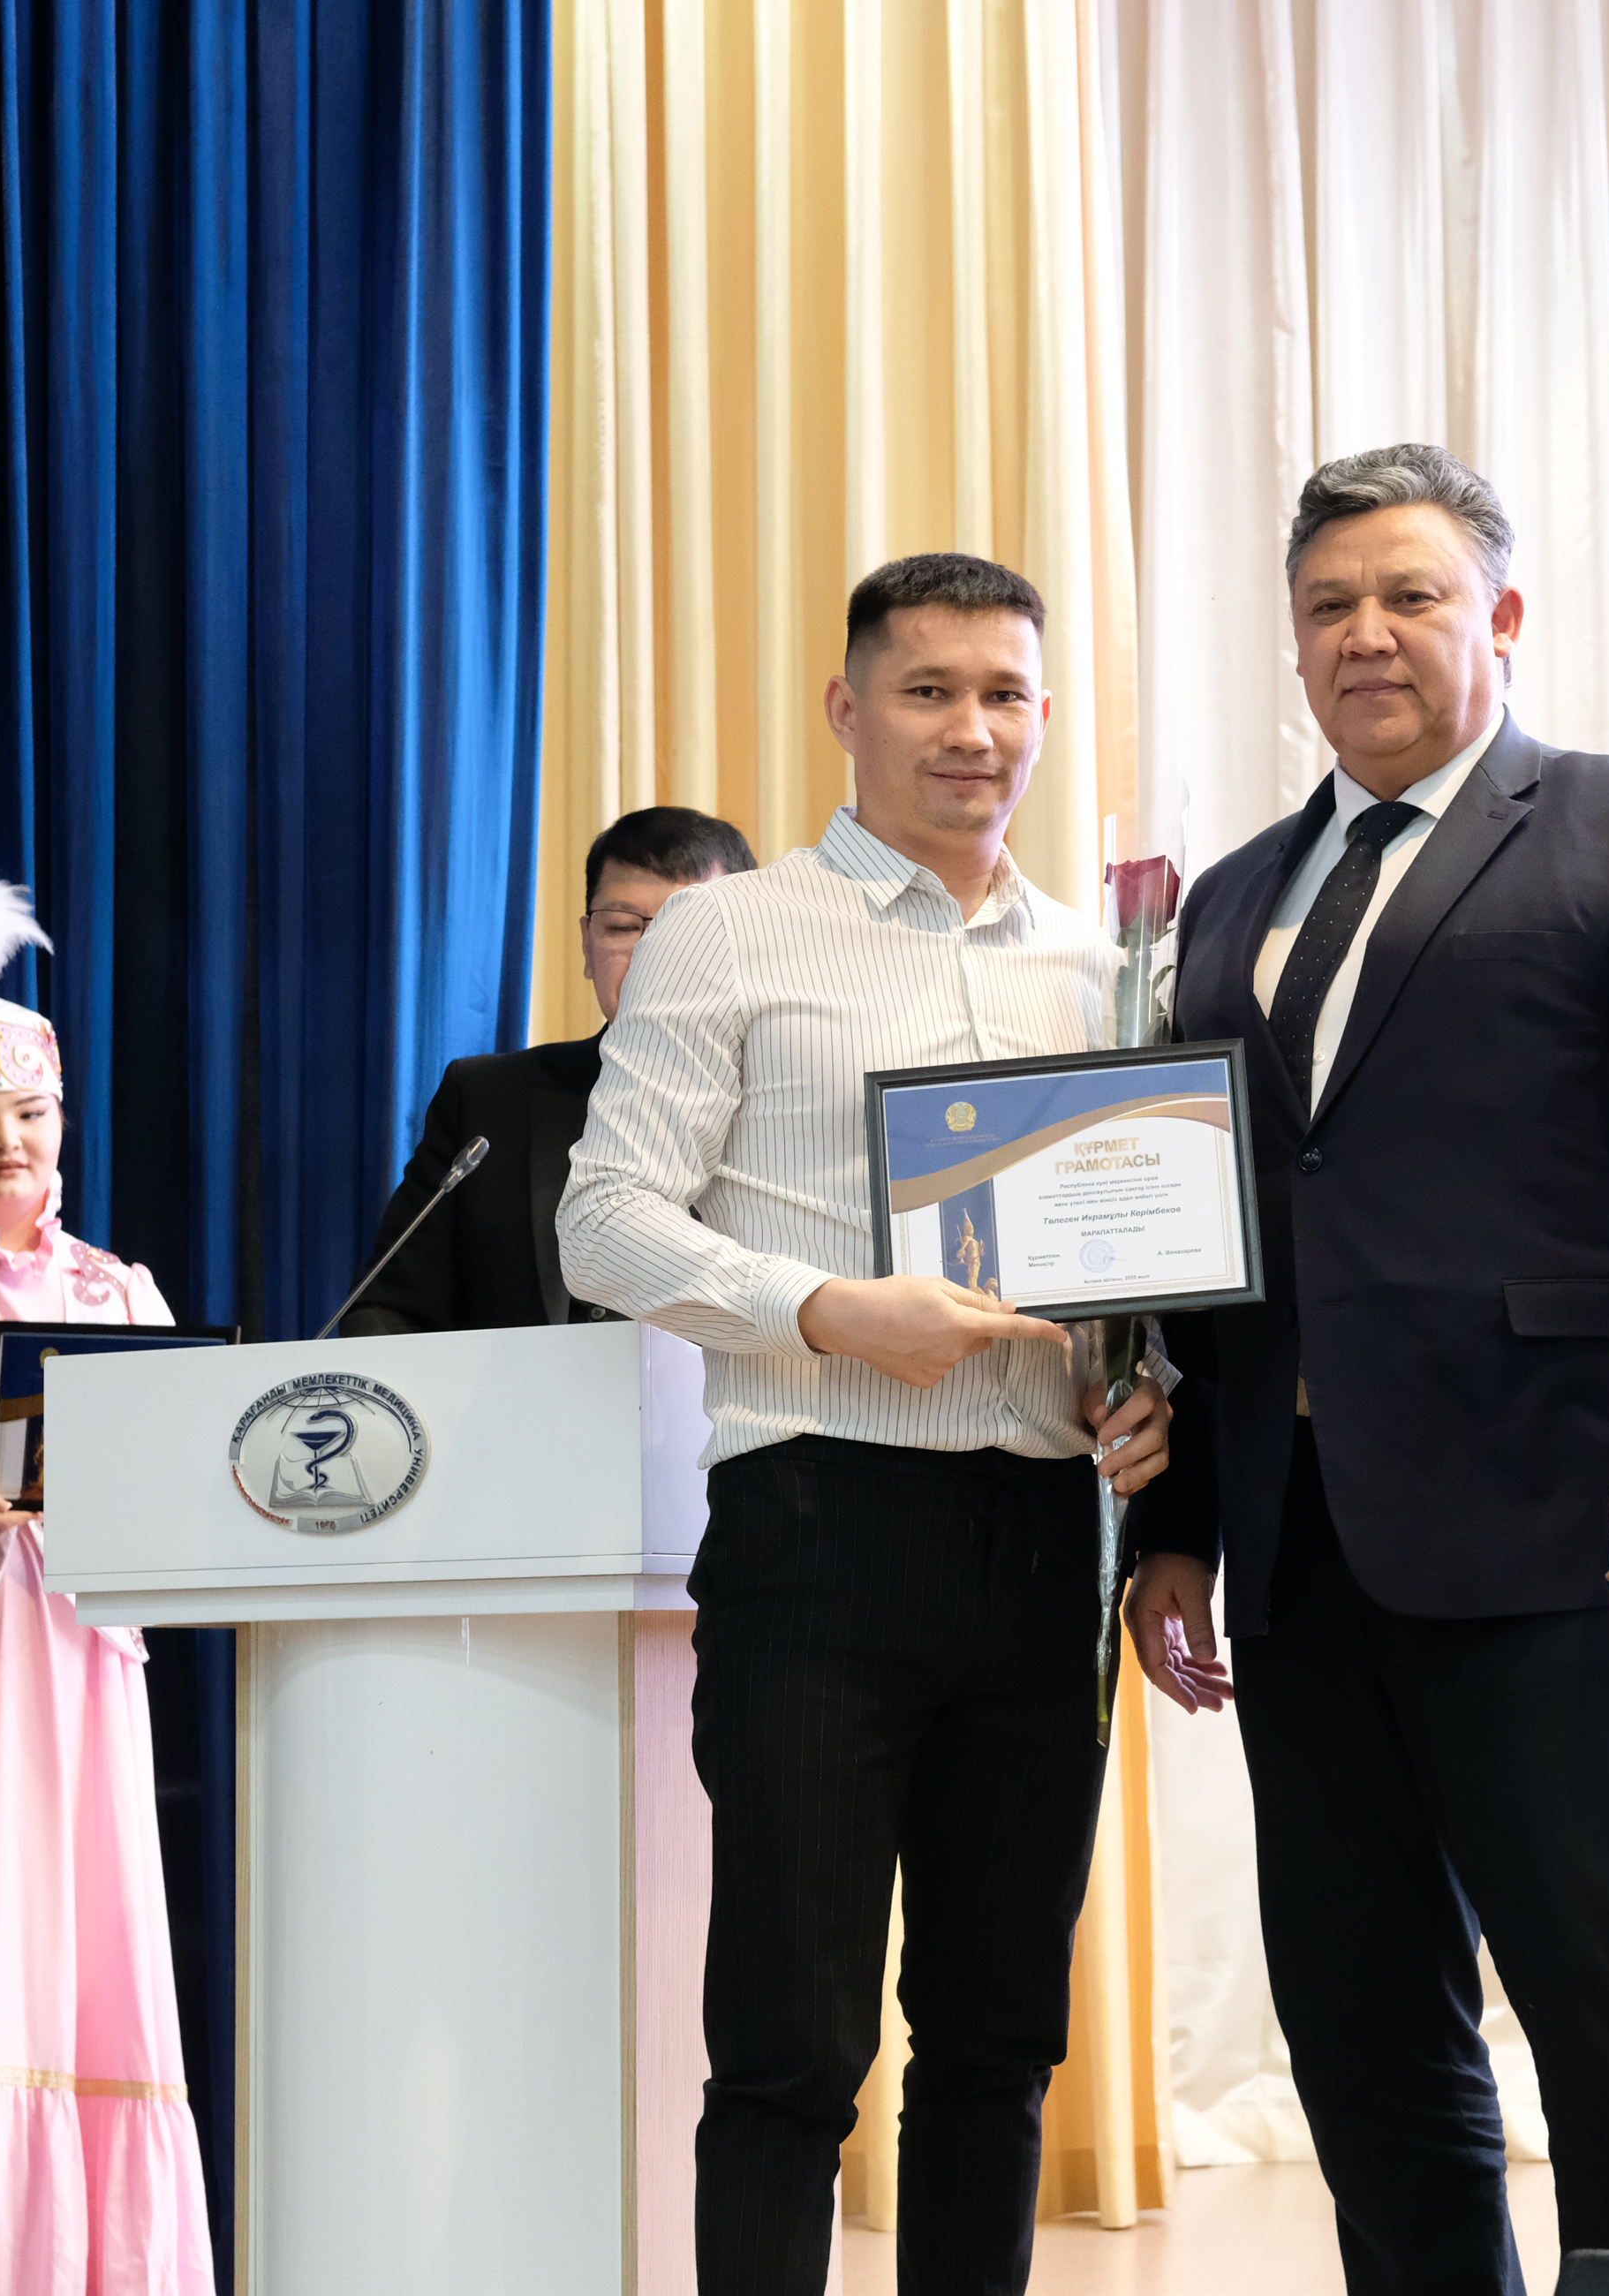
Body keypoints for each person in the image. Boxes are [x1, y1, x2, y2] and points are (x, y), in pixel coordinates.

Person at [1122, 443, 1609, 2291]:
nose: (1368, 632)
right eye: (1330, 605)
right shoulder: (1231, 900)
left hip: (1564, 1530)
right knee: (1361, 2033)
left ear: (1499, 616)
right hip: (1299, 1552)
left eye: (1410, 594)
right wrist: (1177, 1522)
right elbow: (1210, 1243)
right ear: (1293, 644)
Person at [558, 554, 1175, 2296]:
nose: (971, 729)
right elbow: (604, 1221)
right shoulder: (729, 931)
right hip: (817, 1522)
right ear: (847, 708)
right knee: (789, 2045)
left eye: (1005, 694)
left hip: (1047, 1542)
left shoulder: (1109, 972)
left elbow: (1136, 1258)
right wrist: (830, 1309)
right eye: (928, 690)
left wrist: (1145, 1387)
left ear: (1043, 715)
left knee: (1000, 2038)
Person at [0, 833, 214, 2295]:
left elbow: (187, 1463)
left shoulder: (120, 1291)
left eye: (31, 1111)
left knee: (87, 1941)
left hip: (83, 1648)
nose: (8, 1141)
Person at [344, 805, 757, 1336]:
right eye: (623, 927)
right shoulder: (488, 1099)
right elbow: (389, 1309)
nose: (652, 955)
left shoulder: (804, 1104)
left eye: (688, 929)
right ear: (588, 943)